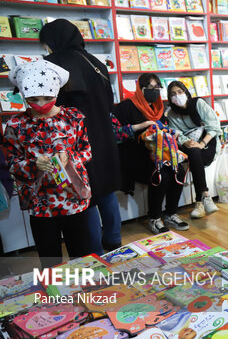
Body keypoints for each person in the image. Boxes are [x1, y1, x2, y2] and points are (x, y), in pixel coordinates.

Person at [40, 19, 123, 254]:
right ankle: (115, 243)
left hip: (72, 140)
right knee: (105, 189)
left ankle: (94, 252)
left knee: (83, 194)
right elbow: (109, 102)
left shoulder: (51, 65)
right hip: (103, 134)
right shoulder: (96, 62)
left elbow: (48, 107)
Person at [4, 60, 96, 268]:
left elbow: (87, 151)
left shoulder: (74, 117)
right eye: (33, 99)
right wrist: (32, 164)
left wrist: (70, 159)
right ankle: (56, 298)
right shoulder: (16, 125)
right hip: (40, 203)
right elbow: (11, 162)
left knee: (81, 256)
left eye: (47, 98)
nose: (41, 104)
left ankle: (86, 292)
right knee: (49, 258)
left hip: (73, 198)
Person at [112, 73, 189, 234]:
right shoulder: (124, 107)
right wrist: (140, 126)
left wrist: (170, 133)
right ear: (140, 89)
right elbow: (114, 135)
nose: (154, 91)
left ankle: (170, 213)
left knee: (179, 170)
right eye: (150, 88)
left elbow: (163, 130)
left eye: (157, 88)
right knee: (161, 175)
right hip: (134, 157)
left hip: (159, 155)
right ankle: (154, 217)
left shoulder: (158, 108)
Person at [166, 80, 221, 218]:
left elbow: (214, 126)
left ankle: (199, 202)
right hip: (189, 146)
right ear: (169, 98)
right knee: (194, 152)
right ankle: (204, 197)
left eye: (180, 92)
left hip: (208, 142)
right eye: (173, 94)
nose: (177, 96)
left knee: (196, 153)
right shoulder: (171, 114)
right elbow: (175, 132)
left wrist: (202, 143)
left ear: (186, 92)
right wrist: (186, 142)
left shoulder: (198, 104)